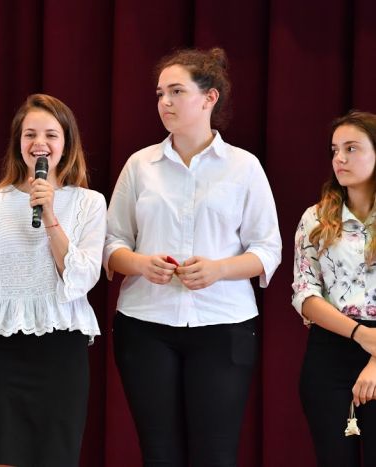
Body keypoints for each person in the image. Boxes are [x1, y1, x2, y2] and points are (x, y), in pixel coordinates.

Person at [104, 47, 282, 465]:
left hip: (224, 325)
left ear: (209, 98)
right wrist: (141, 263)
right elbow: (111, 243)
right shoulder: (140, 165)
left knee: (215, 455)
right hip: (145, 325)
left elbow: (267, 249)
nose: (164, 102)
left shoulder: (244, 167)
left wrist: (219, 269)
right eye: (160, 93)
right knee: (159, 453)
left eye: (176, 91)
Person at [0, 93, 105, 467]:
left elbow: (81, 278)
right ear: (18, 142)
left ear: (67, 142)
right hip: (3, 355)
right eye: (30, 134)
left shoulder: (90, 203)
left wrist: (50, 215)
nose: (39, 143)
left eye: (51, 134)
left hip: (62, 353)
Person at [292, 110, 376, 466]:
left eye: (351, 148)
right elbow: (304, 294)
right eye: (335, 150)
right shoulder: (315, 218)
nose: (339, 158)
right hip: (330, 351)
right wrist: (360, 334)